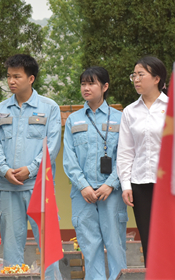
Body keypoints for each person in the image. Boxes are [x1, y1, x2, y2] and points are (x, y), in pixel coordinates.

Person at [0, 54, 62, 278]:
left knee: (48, 248)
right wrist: (4, 170)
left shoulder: (49, 108)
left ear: (31, 79)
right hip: (8, 189)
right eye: (9, 76)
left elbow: (52, 146)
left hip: (40, 189)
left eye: (17, 76)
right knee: (10, 251)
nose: (11, 81)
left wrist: (31, 168)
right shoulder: (0, 110)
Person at [63, 66, 126, 280]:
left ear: (105, 86)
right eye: (83, 84)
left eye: (91, 83)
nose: (86, 88)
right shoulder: (73, 120)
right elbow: (69, 159)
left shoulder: (120, 118)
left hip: (112, 193)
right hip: (83, 195)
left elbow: (125, 156)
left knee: (116, 247)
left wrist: (111, 183)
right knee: (90, 249)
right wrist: (83, 185)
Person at [117, 56, 168, 264]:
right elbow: (125, 152)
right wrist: (126, 185)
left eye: (141, 74)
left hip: (169, 184)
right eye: (134, 75)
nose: (136, 79)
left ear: (156, 78)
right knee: (149, 239)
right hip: (140, 184)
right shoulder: (130, 112)